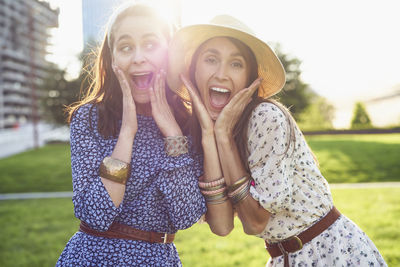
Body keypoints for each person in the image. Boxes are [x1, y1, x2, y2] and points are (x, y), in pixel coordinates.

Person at [167, 15, 387, 267]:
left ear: (250, 78)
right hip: (285, 257)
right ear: (194, 70)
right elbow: (223, 226)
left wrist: (224, 138)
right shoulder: (204, 132)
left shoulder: (266, 117)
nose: (221, 74)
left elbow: (255, 222)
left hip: (330, 251)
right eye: (210, 59)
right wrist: (210, 137)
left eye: (236, 64)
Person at [56, 2, 206, 266]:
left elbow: (187, 215)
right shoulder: (90, 118)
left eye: (150, 44)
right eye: (126, 47)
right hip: (91, 258)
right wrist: (127, 133)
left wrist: (171, 132)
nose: (138, 57)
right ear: (113, 59)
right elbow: (95, 215)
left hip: (158, 258)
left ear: (170, 52)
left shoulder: (188, 123)